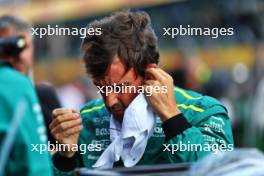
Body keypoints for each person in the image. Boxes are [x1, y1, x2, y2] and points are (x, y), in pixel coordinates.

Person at [50, 10, 234, 175]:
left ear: (149, 73)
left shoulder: (205, 112)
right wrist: (65, 157)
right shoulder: (86, 120)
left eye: (119, 87)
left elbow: (217, 171)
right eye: (100, 87)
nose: (109, 101)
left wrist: (172, 119)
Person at [0, 15, 53, 175]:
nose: (19, 55)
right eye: (10, 46)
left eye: (25, 46)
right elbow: (37, 168)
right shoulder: (17, 86)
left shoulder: (44, 95)